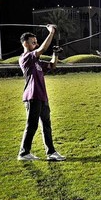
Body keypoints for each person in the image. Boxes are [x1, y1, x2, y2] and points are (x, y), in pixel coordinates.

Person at [17, 24, 65, 161]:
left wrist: (55, 54)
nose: (36, 44)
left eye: (36, 42)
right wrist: (51, 32)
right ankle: (24, 153)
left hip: (42, 97)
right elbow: (42, 49)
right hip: (32, 97)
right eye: (33, 42)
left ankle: (51, 153)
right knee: (32, 125)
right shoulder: (26, 58)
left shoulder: (36, 61)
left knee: (46, 125)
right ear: (25, 43)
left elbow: (52, 66)